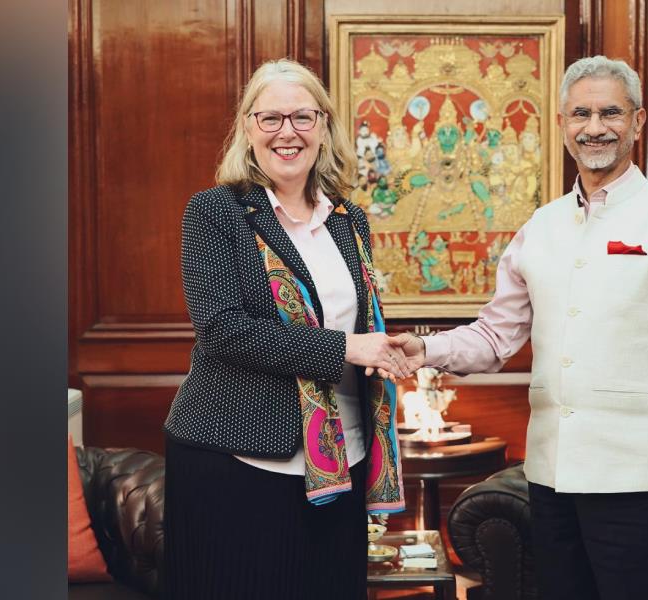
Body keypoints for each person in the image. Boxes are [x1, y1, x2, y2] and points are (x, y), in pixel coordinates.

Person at [395, 56, 648, 600]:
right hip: (552, 479)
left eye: (610, 113)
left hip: (642, 482)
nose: (595, 127)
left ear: (638, 121)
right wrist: (423, 349)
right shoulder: (541, 226)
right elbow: (494, 337)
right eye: (581, 113)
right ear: (561, 125)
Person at [163, 58, 413, 600]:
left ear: (323, 126)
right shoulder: (214, 213)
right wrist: (349, 346)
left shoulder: (350, 219)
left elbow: (362, 326)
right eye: (270, 118)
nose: (287, 132)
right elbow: (223, 331)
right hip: (238, 460)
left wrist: (386, 351)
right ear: (248, 128)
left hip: (342, 459)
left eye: (301, 117)